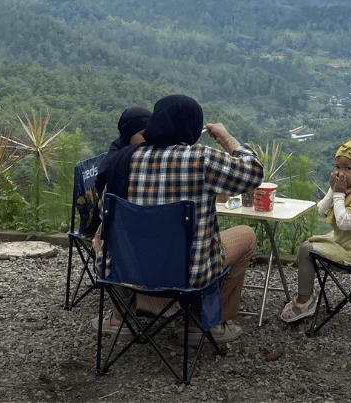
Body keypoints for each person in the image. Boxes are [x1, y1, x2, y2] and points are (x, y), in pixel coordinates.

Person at [94, 94, 263, 344]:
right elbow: (253, 174)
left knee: (103, 237)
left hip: (127, 269)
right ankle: (206, 325)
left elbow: (104, 212)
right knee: (246, 236)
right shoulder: (201, 159)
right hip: (188, 272)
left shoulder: (124, 159)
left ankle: (122, 318)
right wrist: (228, 139)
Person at [280, 140, 351, 323]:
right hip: (343, 242)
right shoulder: (347, 189)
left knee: (305, 249)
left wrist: (338, 194)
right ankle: (306, 296)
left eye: (348, 168)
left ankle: (305, 301)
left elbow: (343, 223)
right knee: (308, 244)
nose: (340, 173)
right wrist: (333, 191)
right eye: (337, 167)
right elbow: (320, 210)